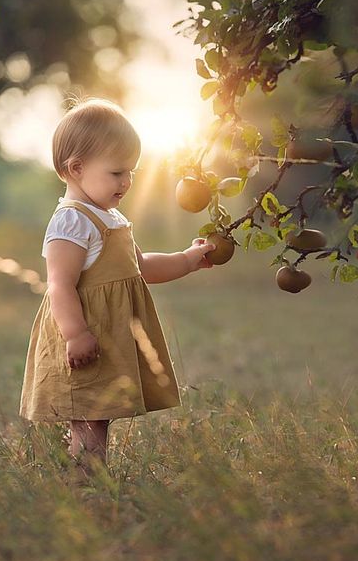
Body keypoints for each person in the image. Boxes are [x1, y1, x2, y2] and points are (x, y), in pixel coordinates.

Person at [19, 96, 216, 476]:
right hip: (87, 334)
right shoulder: (71, 222)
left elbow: (140, 267)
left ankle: (88, 475)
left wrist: (187, 260)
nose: (126, 182)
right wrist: (75, 334)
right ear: (76, 168)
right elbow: (59, 286)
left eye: (132, 173)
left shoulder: (110, 217)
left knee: (99, 413)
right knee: (89, 413)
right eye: (116, 173)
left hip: (111, 336)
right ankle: (87, 481)